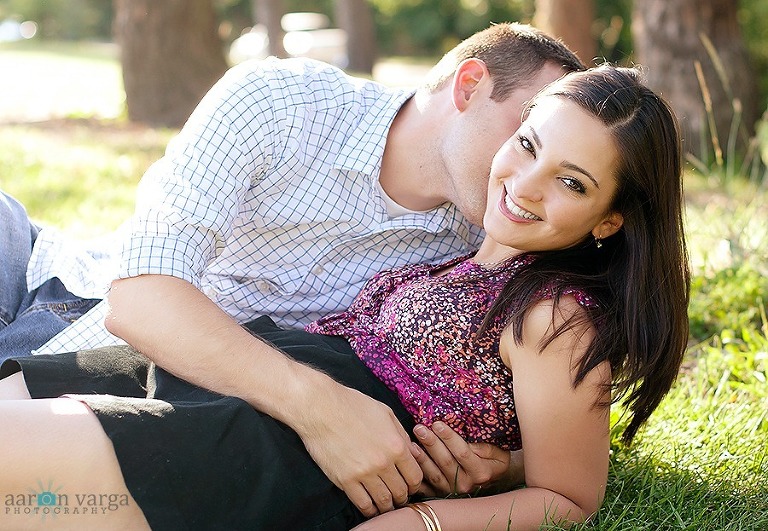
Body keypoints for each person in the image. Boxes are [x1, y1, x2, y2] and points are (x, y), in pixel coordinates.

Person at [0, 64, 690, 530]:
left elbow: (571, 491)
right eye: (528, 144)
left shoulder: (556, 314)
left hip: (270, 443)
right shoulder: (461, 236)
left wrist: (420, 520)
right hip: (238, 371)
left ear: (610, 219)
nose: (527, 182)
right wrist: (501, 462)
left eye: (572, 182)